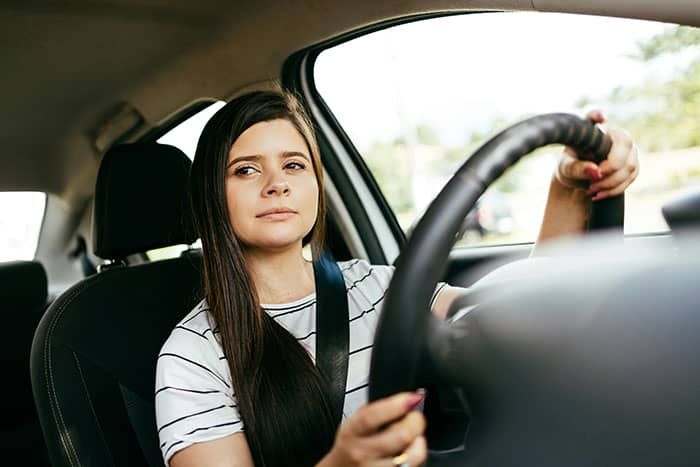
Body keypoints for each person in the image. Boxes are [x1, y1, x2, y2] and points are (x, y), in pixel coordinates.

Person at [155, 89, 639, 467]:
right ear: (212, 195)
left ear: (315, 183)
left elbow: (522, 312)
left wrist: (569, 185)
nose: (277, 183)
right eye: (245, 170)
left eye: (294, 165)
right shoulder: (192, 358)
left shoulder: (376, 288)